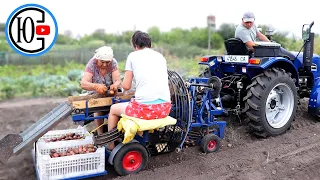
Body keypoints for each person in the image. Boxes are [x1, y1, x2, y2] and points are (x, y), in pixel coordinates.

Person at [106, 30, 172, 150]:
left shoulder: (133, 56)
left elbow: (126, 86)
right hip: (165, 108)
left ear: (135, 46)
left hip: (146, 110)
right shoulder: (160, 57)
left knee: (113, 109)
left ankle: (110, 145)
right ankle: (136, 137)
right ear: (150, 45)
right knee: (135, 101)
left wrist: (117, 82)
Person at [80, 46, 121, 135]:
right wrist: (96, 87)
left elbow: (117, 80)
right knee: (98, 110)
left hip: (110, 93)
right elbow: (83, 83)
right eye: (102, 62)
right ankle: (101, 134)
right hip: (96, 94)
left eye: (107, 62)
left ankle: (115, 134)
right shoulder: (92, 64)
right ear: (97, 59)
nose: (105, 65)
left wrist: (115, 85)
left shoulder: (113, 63)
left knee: (117, 107)